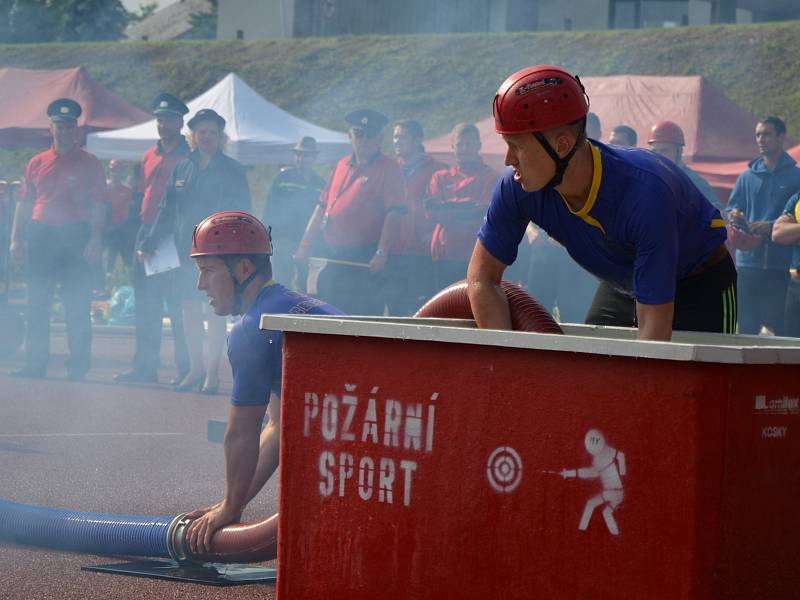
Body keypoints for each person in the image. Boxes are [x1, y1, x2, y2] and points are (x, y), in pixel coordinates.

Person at [469, 65, 735, 341]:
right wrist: (506, 364)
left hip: (699, 283)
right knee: (594, 372)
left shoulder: (644, 195)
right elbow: (481, 280)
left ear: (561, 146)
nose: (507, 159)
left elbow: (654, 346)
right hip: (624, 284)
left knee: (694, 382)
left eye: (518, 146)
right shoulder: (515, 185)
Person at [184, 211, 341, 554]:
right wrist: (231, 503)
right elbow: (279, 427)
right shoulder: (286, 305)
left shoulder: (253, 329)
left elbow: (241, 434)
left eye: (208, 271)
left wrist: (230, 508)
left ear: (243, 269)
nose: (200, 285)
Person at [141, 108, 251, 393]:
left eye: (212, 132)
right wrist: (150, 241)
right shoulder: (182, 167)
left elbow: (243, 212)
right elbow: (167, 209)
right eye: (201, 132)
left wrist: (239, 251)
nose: (207, 137)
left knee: (214, 312)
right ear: (193, 135)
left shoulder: (232, 169)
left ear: (220, 136)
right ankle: (195, 369)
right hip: (184, 249)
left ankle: (212, 374)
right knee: (188, 311)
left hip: (218, 251)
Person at [8, 99, 107, 380]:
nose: (63, 132)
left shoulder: (90, 163)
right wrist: (16, 239)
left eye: (68, 127)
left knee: (76, 303)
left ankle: (77, 367)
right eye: (58, 127)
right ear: (50, 129)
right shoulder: (37, 162)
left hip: (76, 236)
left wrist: (96, 239)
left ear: (75, 130)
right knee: (37, 304)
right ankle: (35, 364)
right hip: (42, 237)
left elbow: (99, 203)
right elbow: (24, 203)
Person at [295, 109, 405, 315]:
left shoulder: (389, 168)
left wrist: (381, 252)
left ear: (380, 137)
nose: (365, 139)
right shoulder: (341, 164)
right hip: (333, 254)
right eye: (359, 134)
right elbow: (321, 206)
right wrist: (305, 243)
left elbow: (394, 213)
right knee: (330, 313)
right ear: (350, 136)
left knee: (361, 317)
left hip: (365, 256)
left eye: (371, 134)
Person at [115, 93, 191, 385]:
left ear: (180, 122)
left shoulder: (187, 157)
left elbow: (176, 206)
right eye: (159, 119)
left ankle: (186, 369)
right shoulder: (149, 155)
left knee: (175, 305)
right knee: (146, 303)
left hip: (172, 237)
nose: (163, 124)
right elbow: (144, 196)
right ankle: (145, 366)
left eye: (169, 119)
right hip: (146, 232)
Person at [726, 116, 800, 336]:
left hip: (782, 265)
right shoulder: (745, 177)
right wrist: (735, 216)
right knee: (746, 328)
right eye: (758, 134)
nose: (761, 139)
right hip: (748, 263)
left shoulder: (796, 176)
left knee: (781, 329)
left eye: (766, 134)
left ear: (781, 137)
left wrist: (770, 227)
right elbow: (731, 208)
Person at [427, 123, 499, 290]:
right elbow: (432, 213)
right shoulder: (440, 177)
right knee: (445, 309)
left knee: (475, 309)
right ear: (452, 146)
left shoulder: (492, 177)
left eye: (469, 144)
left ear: (478, 146)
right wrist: (468, 206)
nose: (464, 149)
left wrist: (449, 207)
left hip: (478, 255)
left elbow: (483, 215)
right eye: (460, 144)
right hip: (445, 253)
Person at [388, 119, 446, 314]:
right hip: (393, 251)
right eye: (395, 136)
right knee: (395, 308)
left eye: (402, 137)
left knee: (421, 311)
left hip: (423, 253)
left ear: (417, 139)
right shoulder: (388, 168)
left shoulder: (437, 169)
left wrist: (434, 233)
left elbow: (444, 207)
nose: (396, 141)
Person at [261, 136, 325, 289]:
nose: (302, 158)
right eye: (299, 154)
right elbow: (269, 210)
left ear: (314, 158)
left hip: (308, 242)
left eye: (307, 155)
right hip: (283, 241)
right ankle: (281, 312)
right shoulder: (282, 179)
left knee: (306, 284)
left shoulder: (320, 183)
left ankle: (301, 312)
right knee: (281, 282)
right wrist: (267, 238)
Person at [647, 120, 723, 210]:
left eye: (664, 150)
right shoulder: (647, 179)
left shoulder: (693, 181)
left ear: (679, 152)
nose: (659, 155)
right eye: (654, 151)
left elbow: (717, 214)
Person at [103, 160, 135, 284]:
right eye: (113, 170)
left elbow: (130, 211)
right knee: (109, 257)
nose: (115, 173)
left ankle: (130, 284)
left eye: (117, 170)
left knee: (127, 258)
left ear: (121, 172)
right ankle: (107, 283)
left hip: (123, 230)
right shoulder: (105, 187)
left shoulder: (127, 190)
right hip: (108, 229)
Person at [772, 192, 800, 337]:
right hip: (796, 284)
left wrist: (795, 230)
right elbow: (778, 233)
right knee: (792, 345)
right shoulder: (798, 198)